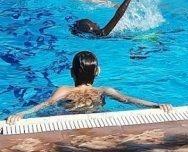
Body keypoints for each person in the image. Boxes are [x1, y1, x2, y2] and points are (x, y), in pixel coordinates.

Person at [5, 51, 172, 124]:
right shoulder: (103, 91)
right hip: (98, 119)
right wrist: (155, 104)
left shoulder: (65, 90)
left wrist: (21, 113)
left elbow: (46, 104)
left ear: (72, 73)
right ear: (97, 72)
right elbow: (127, 100)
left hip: (67, 120)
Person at [70, 0, 148, 37]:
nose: (95, 22)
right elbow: (118, 15)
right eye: (92, 23)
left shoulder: (93, 36)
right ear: (91, 28)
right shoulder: (102, 33)